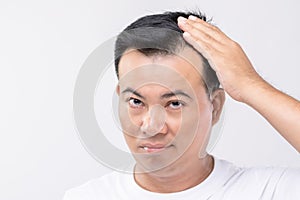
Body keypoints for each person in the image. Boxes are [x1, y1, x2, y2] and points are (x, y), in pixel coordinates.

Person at [64, 10, 300, 199]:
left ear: (215, 106)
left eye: (174, 103)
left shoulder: (269, 191)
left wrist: (250, 85)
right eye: (136, 101)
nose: (152, 126)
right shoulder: (86, 196)